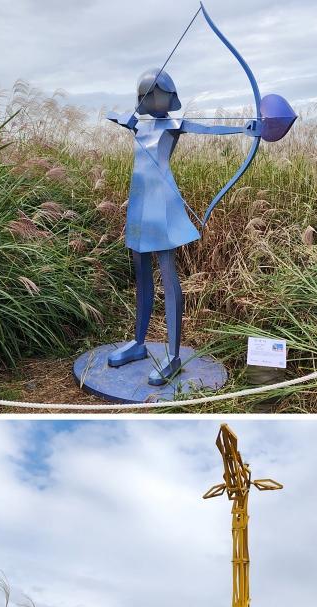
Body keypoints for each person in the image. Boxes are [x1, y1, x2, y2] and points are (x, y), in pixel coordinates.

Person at [105, 70, 259, 385]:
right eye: (144, 96)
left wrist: (246, 129)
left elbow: (206, 127)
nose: (148, 100)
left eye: (154, 94)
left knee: (167, 273)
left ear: (169, 97)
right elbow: (115, 115)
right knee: (142, 275)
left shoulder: (173, 125)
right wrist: (123, 119)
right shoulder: (140, 124)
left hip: (162, 207)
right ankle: (138, 343)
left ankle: (173, 358)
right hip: (139, 205)